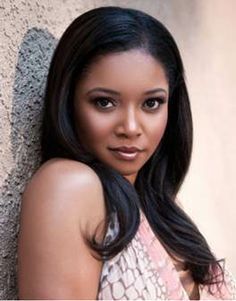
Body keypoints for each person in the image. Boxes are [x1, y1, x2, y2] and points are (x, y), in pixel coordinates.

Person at [17, 6, 236, 300]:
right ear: (68, 101)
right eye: (105, 102)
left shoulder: (163, 209)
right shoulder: (69, 185)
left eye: (151, 104)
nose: (131, 128)